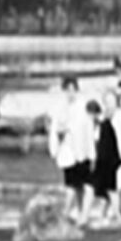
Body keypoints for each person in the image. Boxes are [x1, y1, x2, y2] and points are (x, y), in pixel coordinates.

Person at [86, 93, 121, 225]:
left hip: (115, 159)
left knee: (110, 188)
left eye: (111, 102)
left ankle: (116, 216)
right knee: (101, 188)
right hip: (104, 158)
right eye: (106, 102)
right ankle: (102, 215)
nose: (108, 106)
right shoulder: (104, 120)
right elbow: (97, 139)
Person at [47, 76, 92, 224]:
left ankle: (78, 213)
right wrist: (55, 149)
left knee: (80, 186)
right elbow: (55, 130)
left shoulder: (82, 107)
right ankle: (69, 212)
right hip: (67, 151)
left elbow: (87, 130)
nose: (70, 93)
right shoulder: (60, 109)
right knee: (71, 184)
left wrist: (90, 152)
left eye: (73, 90)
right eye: (68, 90)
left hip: (82, 151)